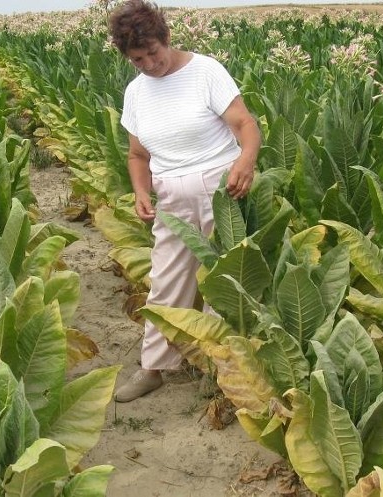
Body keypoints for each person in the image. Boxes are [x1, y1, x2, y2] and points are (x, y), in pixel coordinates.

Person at [109, 0, 261, 402]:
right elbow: (137, 155)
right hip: (171, 196)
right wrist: (141, 191)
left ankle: (223, 372)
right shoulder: (136, 92)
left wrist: (245, 162)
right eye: (137, 59)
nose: (148, 64)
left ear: (166, 38)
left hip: (222, 191)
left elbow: (246, 124)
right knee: (166, 280)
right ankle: (153, 368)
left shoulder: (205, 71)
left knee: (223, 280)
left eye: (153, 53)